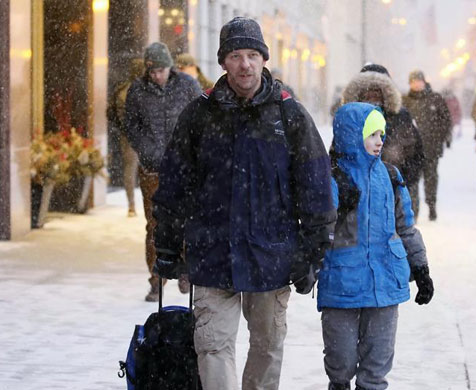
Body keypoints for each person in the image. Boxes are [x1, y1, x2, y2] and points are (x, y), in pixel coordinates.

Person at [151, 17, 336, 390]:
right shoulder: (200, 115)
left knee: (267, 347)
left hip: (271, 255)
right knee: (212, 347)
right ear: (223, 62)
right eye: (236, 55)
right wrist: (168, 246)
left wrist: (313, 252)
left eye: (252, 55)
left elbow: (315, 187)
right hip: (211, 253)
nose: (245, 65)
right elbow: (173, 186)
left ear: (264, 59)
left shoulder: (289, 114)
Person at [319, 102, 434, 390]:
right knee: (341, 359)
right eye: (372, 135)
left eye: (382, 134)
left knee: (378, 360)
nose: (379, 141)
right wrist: (307, 266)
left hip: (385, 281)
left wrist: (420, 267)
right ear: (351, 135)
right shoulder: (332, 177)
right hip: (342, 283)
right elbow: (318, 229)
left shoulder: (391, 176)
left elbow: (405, 226)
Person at [124, 42, 203, 301]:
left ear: (170, 67)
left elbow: (201, 119)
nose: (156, 75)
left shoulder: (188, 86)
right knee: (155, 225)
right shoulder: (137, 90)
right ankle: (156, 278)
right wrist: (147, 150)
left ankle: (184, 270)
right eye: (152, 71)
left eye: (161, 70)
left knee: (186, 221)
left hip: (184, 169)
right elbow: (131, 125)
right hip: (153, 169)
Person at [341, 64, 424, 218]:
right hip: (355, 200)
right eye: (368, 91)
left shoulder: (401, 117)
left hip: (392, 195)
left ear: (387, 92)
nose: (372, 96)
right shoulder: (349, 118)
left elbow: (415, 154)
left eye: (377, 91)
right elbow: (338, 155)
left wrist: (403, 185)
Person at [402, 70, 451, 221]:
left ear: (424, 82)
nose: (416, 84)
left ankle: (431, 205)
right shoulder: (405, 101)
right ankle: (413, 210)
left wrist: (442, 137)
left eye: (419, 81)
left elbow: (446, 120)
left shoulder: (435, 99)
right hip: (410, 150)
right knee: (412, 180)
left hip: (431, 148)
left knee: (431, 178)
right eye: (413, 81)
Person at [107, 58, 144, 217]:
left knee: (130, 169)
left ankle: (131, 205)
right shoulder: (143, 90)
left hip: (127, 136)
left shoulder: (122, 89)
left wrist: (122, 127)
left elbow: (111, 113)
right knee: (148, 170)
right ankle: (146, 202)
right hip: (144, 136)